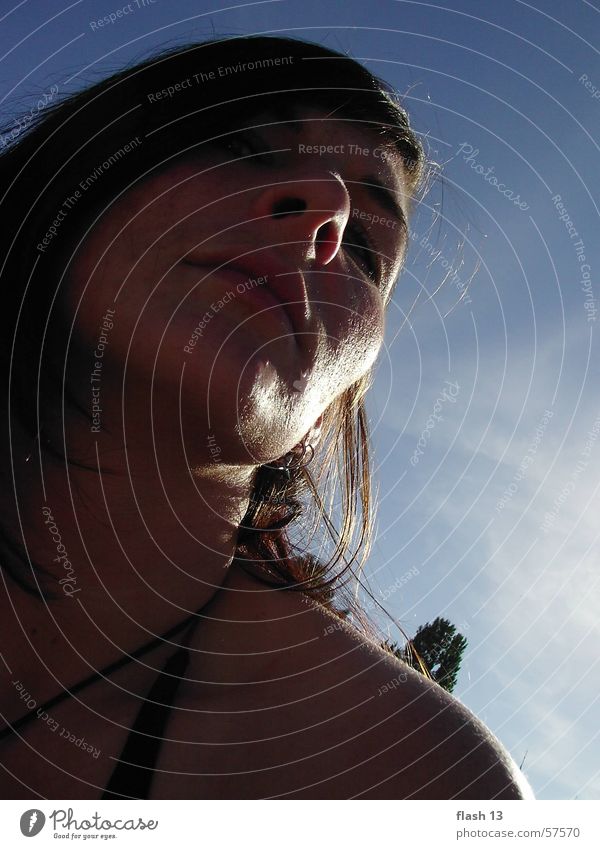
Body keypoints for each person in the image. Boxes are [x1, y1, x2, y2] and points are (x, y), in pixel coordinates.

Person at [0, 35, 532, 800]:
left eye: (367, 254)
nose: (329, 211)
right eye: (246, 146)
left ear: (330, 404)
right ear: (70, 182)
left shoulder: (409, 781)